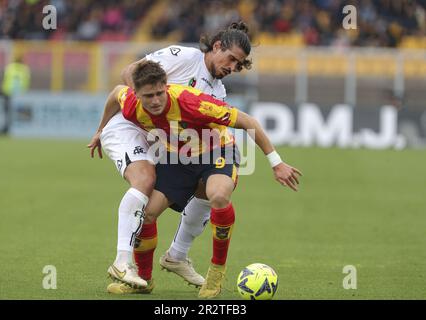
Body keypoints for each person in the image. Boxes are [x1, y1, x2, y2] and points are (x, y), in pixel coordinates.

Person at [92, 60, 302, 298]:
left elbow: (248, 122)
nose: (156, 100)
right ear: (137, 94)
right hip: (179, 157)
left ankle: (216, 273)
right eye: (148, 96)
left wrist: (276, 162)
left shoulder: (192, 102)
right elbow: (114, 94)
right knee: (147, 214)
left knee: (219, 195)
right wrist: (101, 130)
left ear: (166, 86)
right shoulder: (131, 104)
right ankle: (143, 279)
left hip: (217, 151)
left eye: (160, 93)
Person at [88, 22, 254, 290]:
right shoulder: (183, 57)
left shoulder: (218, 92)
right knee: (145, 183)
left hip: (165, 141)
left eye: (239, 64)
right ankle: (126, 264)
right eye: (231, 59)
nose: (233, 67)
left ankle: (177, 255)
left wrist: (220, 159)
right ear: (216, 46)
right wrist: (139, 103)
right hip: (131, 125)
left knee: (208, 186)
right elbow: (129, 72)